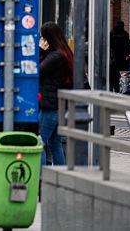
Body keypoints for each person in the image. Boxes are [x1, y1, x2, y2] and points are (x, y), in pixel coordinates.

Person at [39, 21, 73, 166]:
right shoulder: (63, 53)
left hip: (50, 105)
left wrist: (40, 50)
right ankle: (61, 177)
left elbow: (37, 70)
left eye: (44, 38)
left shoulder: (55, 56)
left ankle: (40, 180)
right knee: (55, 144)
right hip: (59, 105)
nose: (42, 41)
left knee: (39, 144)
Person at [109, 20, 130, 94]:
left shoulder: (112, 34)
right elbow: (128, 46)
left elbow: (109, 46)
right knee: (123, 76)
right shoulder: (125, 34)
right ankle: (121, 90)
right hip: (122, 59)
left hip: (114, 59)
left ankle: (114, 90)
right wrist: (128, 55)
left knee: (113, 77)